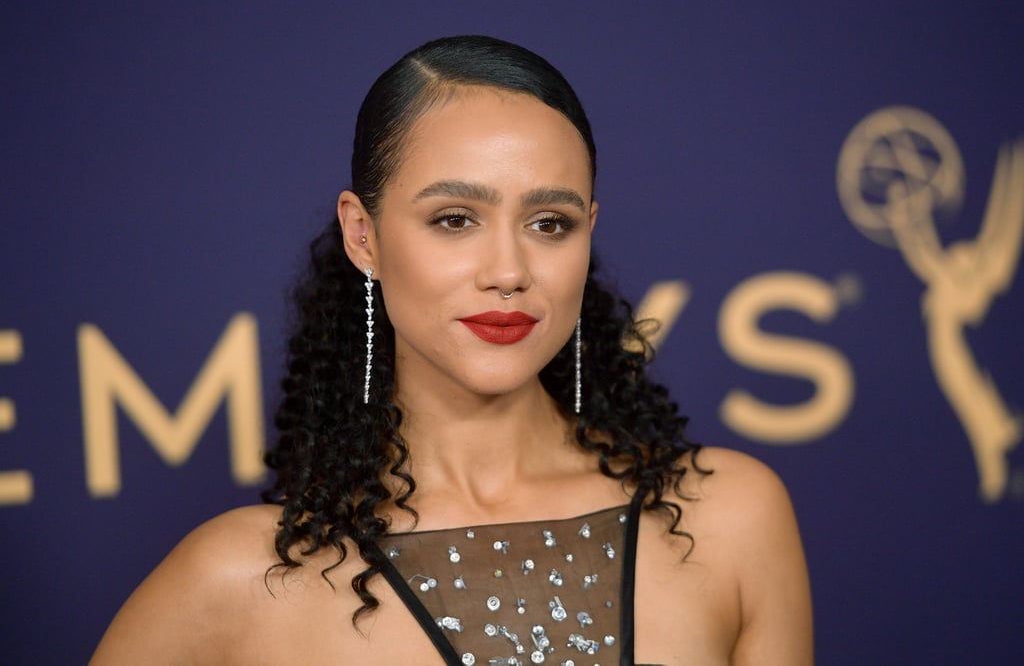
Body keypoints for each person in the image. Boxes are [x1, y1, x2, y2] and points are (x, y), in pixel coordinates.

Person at [91, 35, 812, 665]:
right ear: (362, 234)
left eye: (550, 223)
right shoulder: (238, 580)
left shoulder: (729, 518)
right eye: (455, 218)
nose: (508, 270)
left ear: (589, 232)